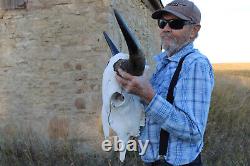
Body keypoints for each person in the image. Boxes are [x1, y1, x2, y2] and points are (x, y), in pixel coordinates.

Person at [115, 0, 214, 165]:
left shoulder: (195, 64)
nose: (166, 28)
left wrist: (148, 95)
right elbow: (153, 111)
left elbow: (193, 130)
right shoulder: (164, 64)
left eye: (176, 23)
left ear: (194, 31)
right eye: (162, 23)